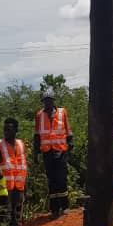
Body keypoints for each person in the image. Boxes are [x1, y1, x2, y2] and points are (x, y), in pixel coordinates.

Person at [33, 88, 73, 217]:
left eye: (49, 100)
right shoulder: (39, 115)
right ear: (43, 102)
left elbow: (68, 130)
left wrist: (70, 146)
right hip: (47, 152)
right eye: (45, 101)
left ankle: (65, 206)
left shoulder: (62, 112)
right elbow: (37, 135)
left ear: (53, 101)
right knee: (52, 181)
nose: (47, 103)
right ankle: (54, 209)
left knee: (61, 179)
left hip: (60, 150)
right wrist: (35, 152)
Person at [0, 118, 28, 226]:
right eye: (5, 129)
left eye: (9, 129)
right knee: (6, 216)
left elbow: (24, 166)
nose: (6, 132)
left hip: (19, 187)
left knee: (17, 216)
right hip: (5, 189)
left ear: (16, 130)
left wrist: (26, 187)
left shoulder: (20, 144)